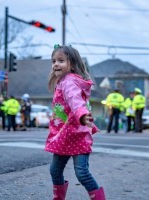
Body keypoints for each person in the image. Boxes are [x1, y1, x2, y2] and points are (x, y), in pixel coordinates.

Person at [44, 45, 106, 200]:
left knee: (82, 173)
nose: (55, 64)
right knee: (55, 170)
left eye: (61, 60)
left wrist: (82, 114)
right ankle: (58, 197)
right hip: (64, 135)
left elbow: (75, 100)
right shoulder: (63, 81)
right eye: (53, 61)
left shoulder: (69, 82)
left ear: (71, 64)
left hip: (77, 134)